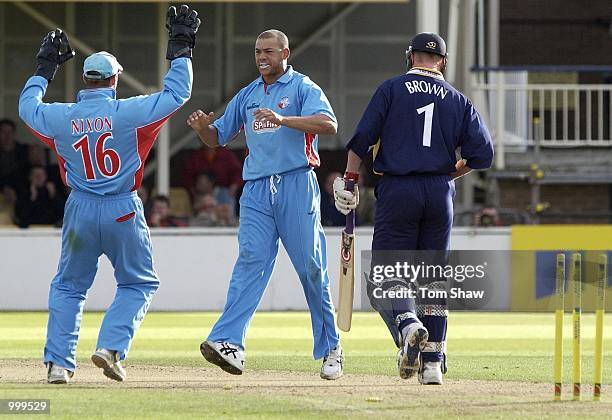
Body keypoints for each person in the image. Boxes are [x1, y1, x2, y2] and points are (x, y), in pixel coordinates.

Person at [18, 5, 200, 384]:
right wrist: (181, 45)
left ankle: (58, 365)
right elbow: (178, 93)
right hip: (121, 208)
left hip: (80, 209)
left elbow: (26, 108)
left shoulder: (61, 117)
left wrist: (44, 68)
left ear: (85, 80)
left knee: (69, 287)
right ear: (115, 80)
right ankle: (111, 347)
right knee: (138, 283)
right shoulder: (130, 113)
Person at [334, 32, 493, 385]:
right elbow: (483, 154)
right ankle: (433, 363)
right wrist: (450, 173)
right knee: (433, 280)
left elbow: (361, 140)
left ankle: (407, 325)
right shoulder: (459, 99)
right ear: (443, 62)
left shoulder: (391, 89)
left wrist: (349, 179)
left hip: (399, 189)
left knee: (389, 273)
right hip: (440, 192)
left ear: (410, 57)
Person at [187, 29, 343, 380]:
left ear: (285, 52)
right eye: (257, 51)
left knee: (311, 268)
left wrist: (283, 119)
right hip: (256, 188)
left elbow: (329, 124)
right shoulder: (247, 94)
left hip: (296, 182)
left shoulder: (303, 87)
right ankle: (229, 343)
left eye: (268, 51)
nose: (261, 57)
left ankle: (331, 347)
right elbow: (218, 137)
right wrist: (201, 129)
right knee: (250, 264)